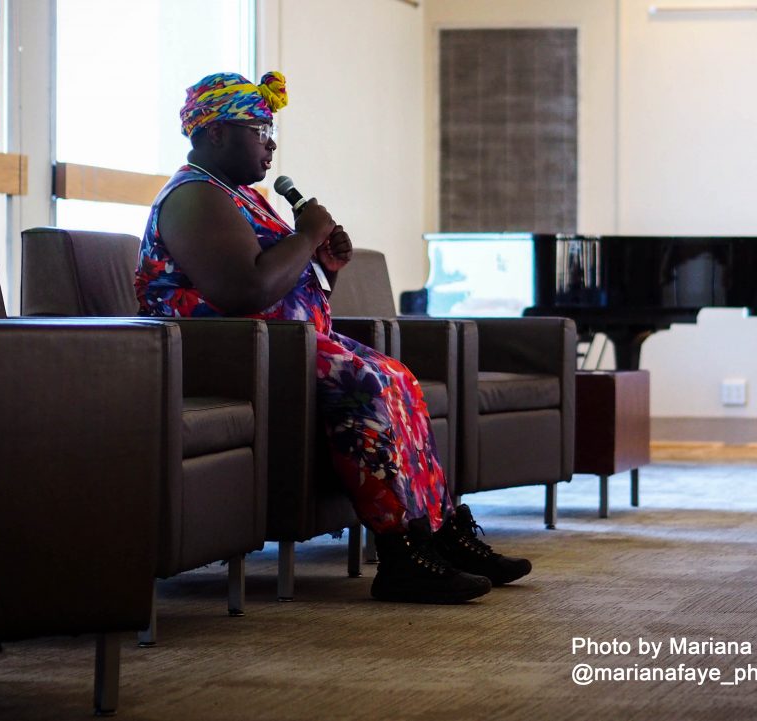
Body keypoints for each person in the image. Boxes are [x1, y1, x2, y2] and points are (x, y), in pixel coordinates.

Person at [135, 71, 531, 604]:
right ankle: (401, 554)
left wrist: (326, 265)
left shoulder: (239, 197)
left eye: (271, 130)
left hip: (280, 347)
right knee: (366, 381)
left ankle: (441, 532)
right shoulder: (194, 197)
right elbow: (244, 290)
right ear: (216, 133)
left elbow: (282, 284)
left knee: (397, 376)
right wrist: (305, 234)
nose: (270, 142)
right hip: (226, 356)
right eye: (259, 129)